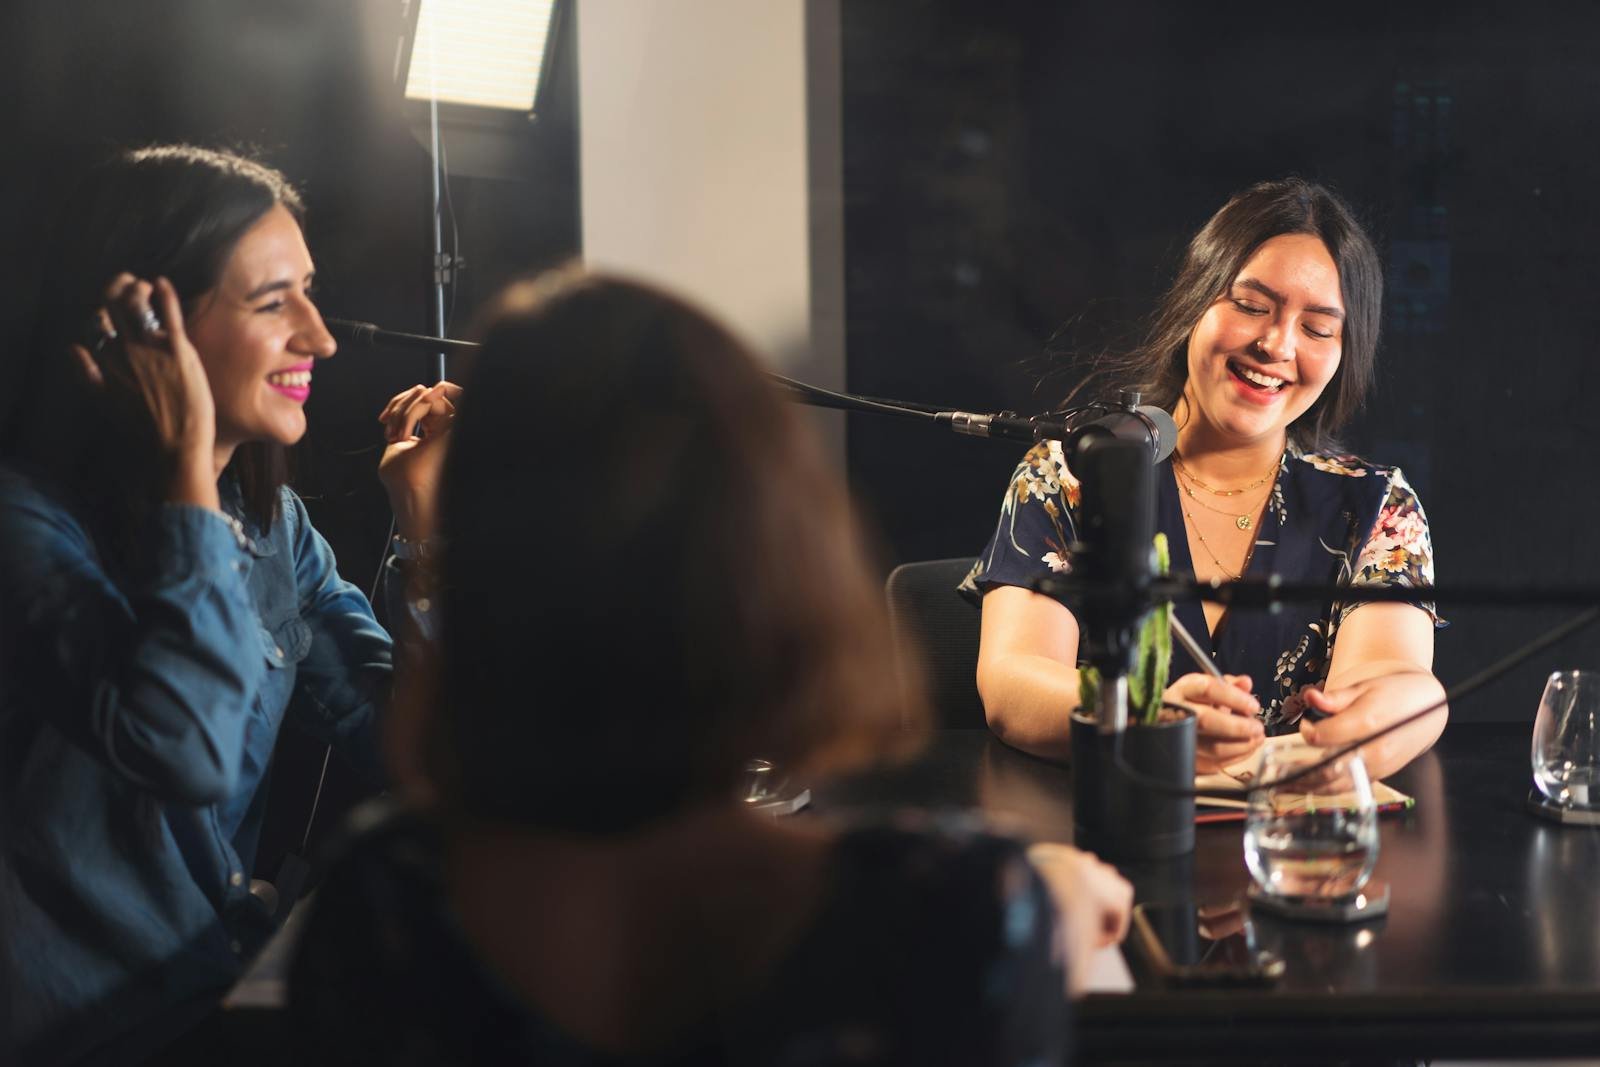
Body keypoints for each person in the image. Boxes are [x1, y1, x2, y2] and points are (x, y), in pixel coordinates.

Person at [289, 268, 1133, 1064]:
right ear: (778, 544)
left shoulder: (383, 906)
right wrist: (1043, 893)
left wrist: (431, 537)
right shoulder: (962, 909)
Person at [0, 145, 444, 1065]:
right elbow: (186, 746)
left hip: (213, 999)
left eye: (312, 293)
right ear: (141, 329)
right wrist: (188, 463)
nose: (319, 338)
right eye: (274, 301)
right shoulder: (24, 527)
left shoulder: (274, 527)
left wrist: (427, 540)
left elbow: (417, 756)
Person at [966, 178, 1446, 778]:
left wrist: (1378, 722)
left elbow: (1398, 679)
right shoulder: (1072, 471)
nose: (1276, 345)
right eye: (1250, 306)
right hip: (1109, 840)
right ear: (1197, 300)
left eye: (1318, 329)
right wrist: (1148, 722)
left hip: (1292, 852)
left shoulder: (1377, 507)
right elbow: (1012, 683)